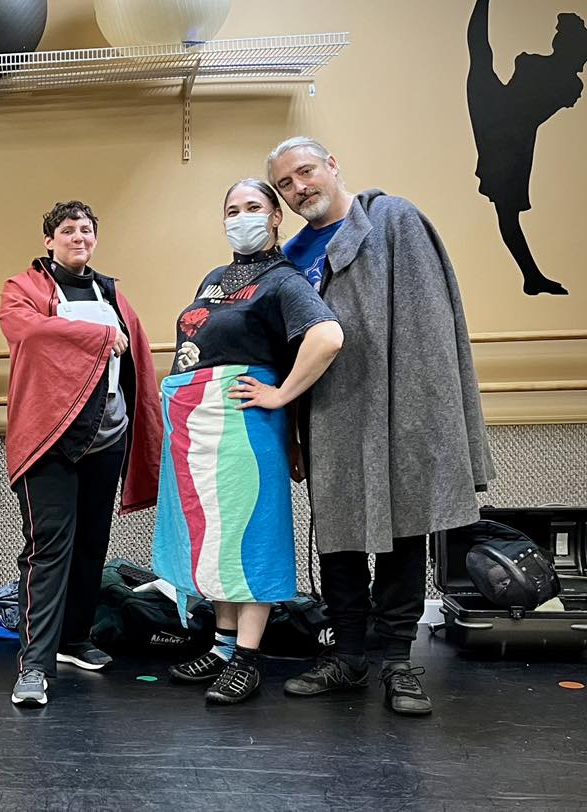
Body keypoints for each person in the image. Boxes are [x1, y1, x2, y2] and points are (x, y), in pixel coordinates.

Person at [267, 137, 495, 716]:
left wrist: (427, 416)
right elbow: (287, 350)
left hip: (399, 406)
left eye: (306, 172)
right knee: (337, 536)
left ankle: (397, 661)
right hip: (329, 413)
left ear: (332, 165)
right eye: (287, 184)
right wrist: (292, 429)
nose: (300, 189)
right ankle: (346, 657)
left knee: (403, 529)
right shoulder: (290, 257)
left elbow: (428, 321)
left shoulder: (392, 220)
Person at [152, 179, 343, 705]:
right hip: (198, 424)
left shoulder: (284, 281)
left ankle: (248, 659)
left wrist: (281, 395)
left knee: (252, 536)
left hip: (244, 423)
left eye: (253, 207)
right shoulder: (215, 279)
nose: (241, 217)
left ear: (276, 217)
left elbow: (327, 336)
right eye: (232, 209)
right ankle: (221, 645)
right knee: (214, 536)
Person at [0, 200, 163, 707]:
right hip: (50, 441)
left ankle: (75, 639)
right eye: (67, 231)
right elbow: (25, 331)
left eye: (86, 230)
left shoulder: (111, 293)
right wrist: (98, 335)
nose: (78, 237)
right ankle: (34, 666)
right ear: (49, 240)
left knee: (92, 546)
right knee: (49, 552)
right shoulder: (23, 289)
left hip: (106, 438)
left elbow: (137, 358)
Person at [467, 0, 586, 295]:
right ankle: (532, 276)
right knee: (479, 54)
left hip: (507, 133)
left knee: (507, 214)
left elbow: (529, 95)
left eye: (561, 35)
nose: (555, 38)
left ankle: (531, 276)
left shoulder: (565, 80)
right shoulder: (560, 76)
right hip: (506, 126)